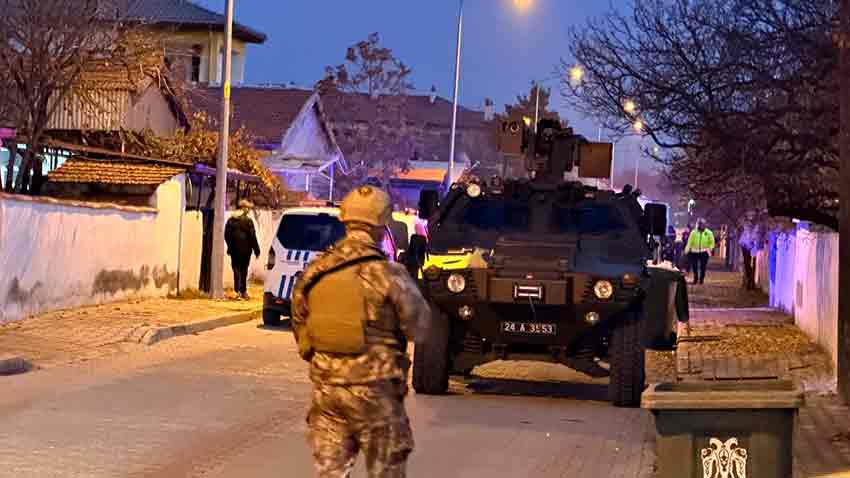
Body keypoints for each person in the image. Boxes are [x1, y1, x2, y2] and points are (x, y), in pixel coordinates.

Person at [291, 185, 431, 478]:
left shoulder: (315, 271)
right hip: (375, 395)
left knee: (330, 474)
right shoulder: (388, 274)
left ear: (345, 219)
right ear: (381, 224)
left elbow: (302, 330)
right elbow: (420, 327)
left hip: (328, 394)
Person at [224, 199, 261, 299]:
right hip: (245, 250)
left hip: (234, 250)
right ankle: (243, 291)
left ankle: (237, 291)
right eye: (248, 208)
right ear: (244, 208)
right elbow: (252, 236)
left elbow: (226, 235)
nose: (248, 210)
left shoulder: (231, 220)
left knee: (236, 269)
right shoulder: (248, 221)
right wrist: (256, 250)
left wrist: (230, 246)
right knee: (243, 270)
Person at [684, 218, 715, 284]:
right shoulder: (693, 232)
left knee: (703, 267)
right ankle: (695, 278)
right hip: (694, 252)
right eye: (700, 224)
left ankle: (701, 279)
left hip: (704, 252)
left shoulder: (709, 233)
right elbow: (689, 242)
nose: (701, 226)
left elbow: (712, 242)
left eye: (703, 225)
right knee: (694, 266)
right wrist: (686, 250)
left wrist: (710, 249)